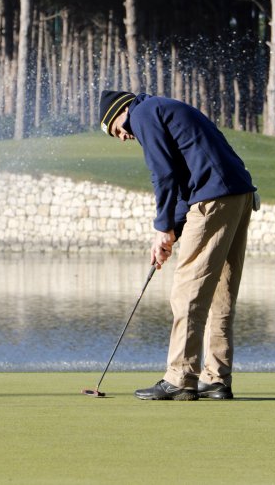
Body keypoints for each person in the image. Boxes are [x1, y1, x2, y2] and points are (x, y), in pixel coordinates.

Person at [98, 90, 259, 401]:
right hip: (239, 194)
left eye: (116, 130)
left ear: (120, 112)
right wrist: (172, 231)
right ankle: (216, 379)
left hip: (215, 197)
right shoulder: (164, 108)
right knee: (221, 294)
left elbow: (164, 175)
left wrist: (162, 228)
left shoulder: (142, 114)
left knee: (188, 290)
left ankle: (180, 377)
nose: (121, 137)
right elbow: (187, 177)